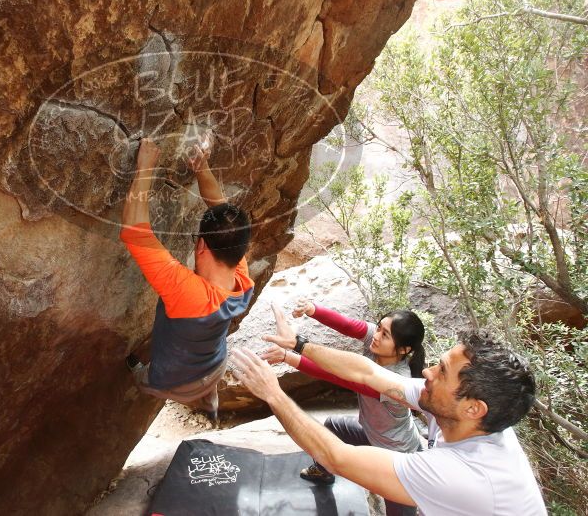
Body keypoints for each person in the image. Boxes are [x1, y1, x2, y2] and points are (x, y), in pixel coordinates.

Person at [230, 327, 546, 515]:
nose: (427, 372)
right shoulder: (459, 415)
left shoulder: (468, 475)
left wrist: (273, 394)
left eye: (442, 372)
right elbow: (369, 373)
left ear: (474, 408)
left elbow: (336, 458)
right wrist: (300, 345)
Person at [121, 135, 254, 422]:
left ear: (201, 246)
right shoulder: (241, 277)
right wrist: (201, 167)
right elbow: (220, 208)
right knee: (209, 378)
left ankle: (137, 373)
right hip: (215, 365)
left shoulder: (189, 294)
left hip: (170, 382)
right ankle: (211, 403)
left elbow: (135, 231)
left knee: (143, 377)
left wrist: (144, 167)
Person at [259, 300, 425, 516]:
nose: (376, 335)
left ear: (404, 349)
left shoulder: (397, 382)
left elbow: (339, 377)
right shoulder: (376, 340)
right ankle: (323, 471)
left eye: (385, 335)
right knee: (333, 426)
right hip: (370, 434)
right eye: (379, 327)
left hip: (396, 454)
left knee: (398, 508)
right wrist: (313, 310)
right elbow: (349, 325)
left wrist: (289, 354)